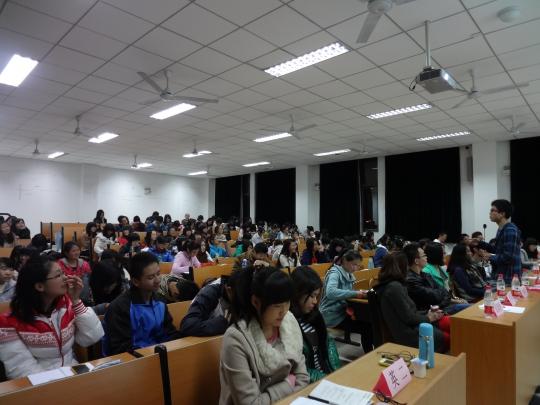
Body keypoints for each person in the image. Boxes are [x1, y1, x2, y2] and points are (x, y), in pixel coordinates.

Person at [0, 256, 103, 379]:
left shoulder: (66, 306)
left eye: (63, 273)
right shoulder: (8, 323)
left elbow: (92, 337)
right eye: (58, 275)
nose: (66, 277)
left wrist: (76, 300)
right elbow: (21, 369)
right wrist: (60, 382)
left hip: (71, 373)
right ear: (40, 286)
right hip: (40, 383)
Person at [219, 266, 309, 404]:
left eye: (287, 302)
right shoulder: (236, 339)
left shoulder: (288, 323)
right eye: (277, 305)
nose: (284, 311)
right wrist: (289, 382)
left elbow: (303, 378)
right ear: (256, 302)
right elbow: (251, 403)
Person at [104, 252, 180, 355]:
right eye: (151, 277)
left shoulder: (160, 300)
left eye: (158, 274)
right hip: (136, 360)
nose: (158, 280)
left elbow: (170, 333)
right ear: (136, 281)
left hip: (160, 354)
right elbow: (121, 349)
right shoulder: (120, 308)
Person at [373, 252, 449, 353]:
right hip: (409, 333)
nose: (408, 268)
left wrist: (429, 313)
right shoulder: (394, 288)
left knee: (451, 324)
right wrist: (429, 317)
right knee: (449, 336)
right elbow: (409, 317)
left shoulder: (395, 285)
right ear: (401, 267)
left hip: (413, 325)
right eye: (407, 265)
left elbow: (410, 312)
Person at [290, 266, 340, 382]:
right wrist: (326, 379)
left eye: (316, 296)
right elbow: (298, 370)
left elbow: (328, 344)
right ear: (298, 293)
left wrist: (336, 371)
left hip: (325, 375)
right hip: (310, 382)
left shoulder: (315, 316)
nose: (315, 301)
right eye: (312, 296)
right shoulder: (289, 324)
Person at [319, 250, 373, 353]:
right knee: (366, 327)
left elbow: (346, 293)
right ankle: (369, 353)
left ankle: (372, 351)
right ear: (344, 261)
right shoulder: (335, 273)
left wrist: (358, 292)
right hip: (331, 314)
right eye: (354, 264)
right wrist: (355, 293)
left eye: (358, 265)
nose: (356, 268)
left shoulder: (348, 274)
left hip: (342, 311)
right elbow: (330, 292)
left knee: (368, 322)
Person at [404, 243, 469, 315]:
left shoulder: (425, 274)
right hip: (432, 312)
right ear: (416, 261)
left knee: (469, 307)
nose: (426, 257)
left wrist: (444, 296)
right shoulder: (411, 280)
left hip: (443, 306)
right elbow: (434, 297)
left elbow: (445, 291)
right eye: (424, 255)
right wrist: (444, 298)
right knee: (468, 308)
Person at [483, 199, 522, 283]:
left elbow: (508, 257)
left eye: (493, 210)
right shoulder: (501, 229)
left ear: (502, 214)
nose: (490, 213)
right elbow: (497, 250)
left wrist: (489, 256)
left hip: (509, 278)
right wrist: (480, 244)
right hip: (501, 275)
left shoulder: (510, 230)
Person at [57, 242, 93, 307]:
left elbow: (89, 279)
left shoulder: (84, 264)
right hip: (66, 292)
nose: (77, 253)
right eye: (73, 251)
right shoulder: (60, 264)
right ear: (66, 253)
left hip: (82, 292)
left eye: (78, 250)